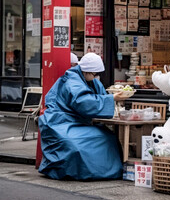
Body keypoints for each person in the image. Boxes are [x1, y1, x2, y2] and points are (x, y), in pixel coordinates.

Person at [38, 52, 124, 180]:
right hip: (61, 121)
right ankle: (85, 172)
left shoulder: (90, 80)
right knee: (75, 144)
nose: (96, 77)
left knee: (108, 137)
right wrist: (112, 98)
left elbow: (96, 97)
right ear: (87, 71)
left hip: (78, 122)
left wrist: (109, 99)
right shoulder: (72, 80)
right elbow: (84, 102)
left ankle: (105, 172)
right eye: (95, 74)